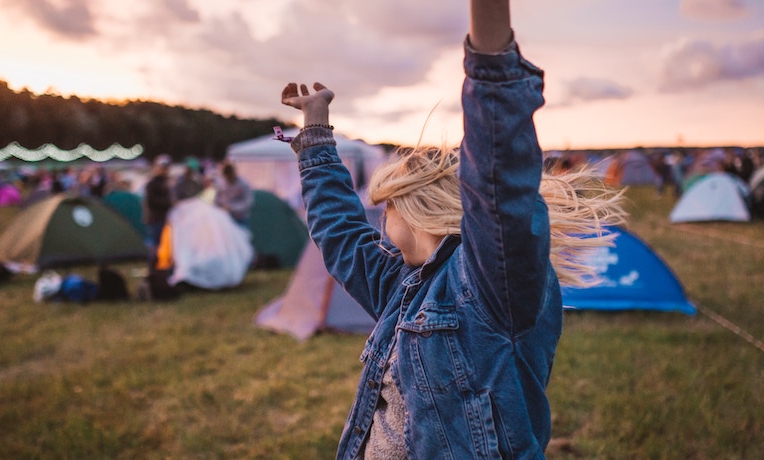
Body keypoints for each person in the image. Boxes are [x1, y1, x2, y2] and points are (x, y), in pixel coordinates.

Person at [279, 0, 625, 457]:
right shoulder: (402, 285)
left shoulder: (488, 283)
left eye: (386, 207)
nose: (379, 219)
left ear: (414, 207)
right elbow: (339, 234)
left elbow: (498, 180)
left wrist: (491, 51)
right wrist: (316, 133)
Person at [144, 155, 174, 259]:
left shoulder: (166, 183)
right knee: (155, 245)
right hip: (156, 219)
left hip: (165, 219)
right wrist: (169, 203)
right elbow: (152, 201)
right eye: (162, 167)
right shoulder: (152, 184)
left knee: (163, 245)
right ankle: (154, 267)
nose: (165, 170)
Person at [214, 162, 254, 227]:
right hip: (225, 217)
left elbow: (247, 203)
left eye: (230, 175)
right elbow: (218, 199)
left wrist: (232, 207)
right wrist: (220, 208)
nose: (228, 178)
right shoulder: (222, 183)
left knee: (241, 236)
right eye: (226, 176)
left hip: (240, 218)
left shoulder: (243, 185)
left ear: (234, 173)